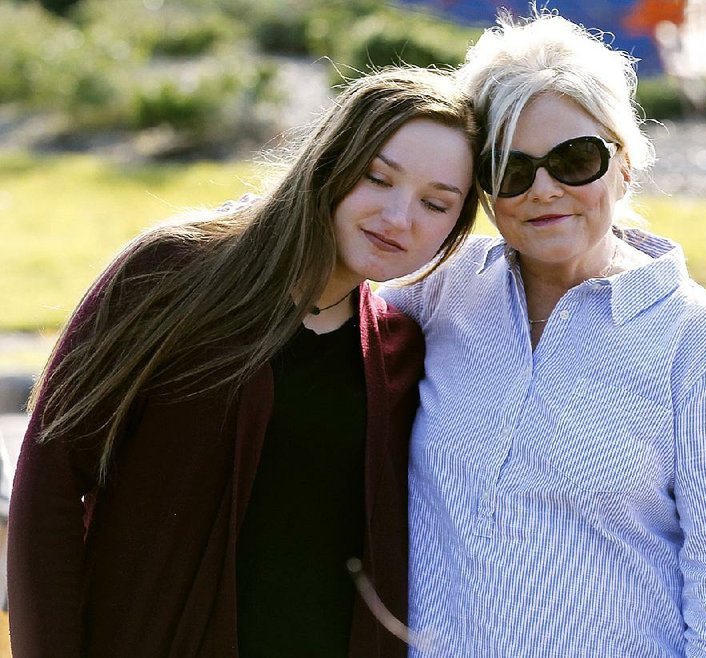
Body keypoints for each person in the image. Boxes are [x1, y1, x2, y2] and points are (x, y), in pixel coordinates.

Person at [8, 66, 481, 658]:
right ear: (329, 161)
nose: (399, 218)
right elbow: (50, 477)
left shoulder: (403, 350)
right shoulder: (172, 275)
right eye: (377, 178)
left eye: (436, 204)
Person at [380, 13, 706, 657]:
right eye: (512, 168)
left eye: (574, 160)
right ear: (483, 188)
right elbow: (320, 299)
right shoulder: (439, 294)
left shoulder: (698, 345)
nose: (543, 190)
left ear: (622, 164)